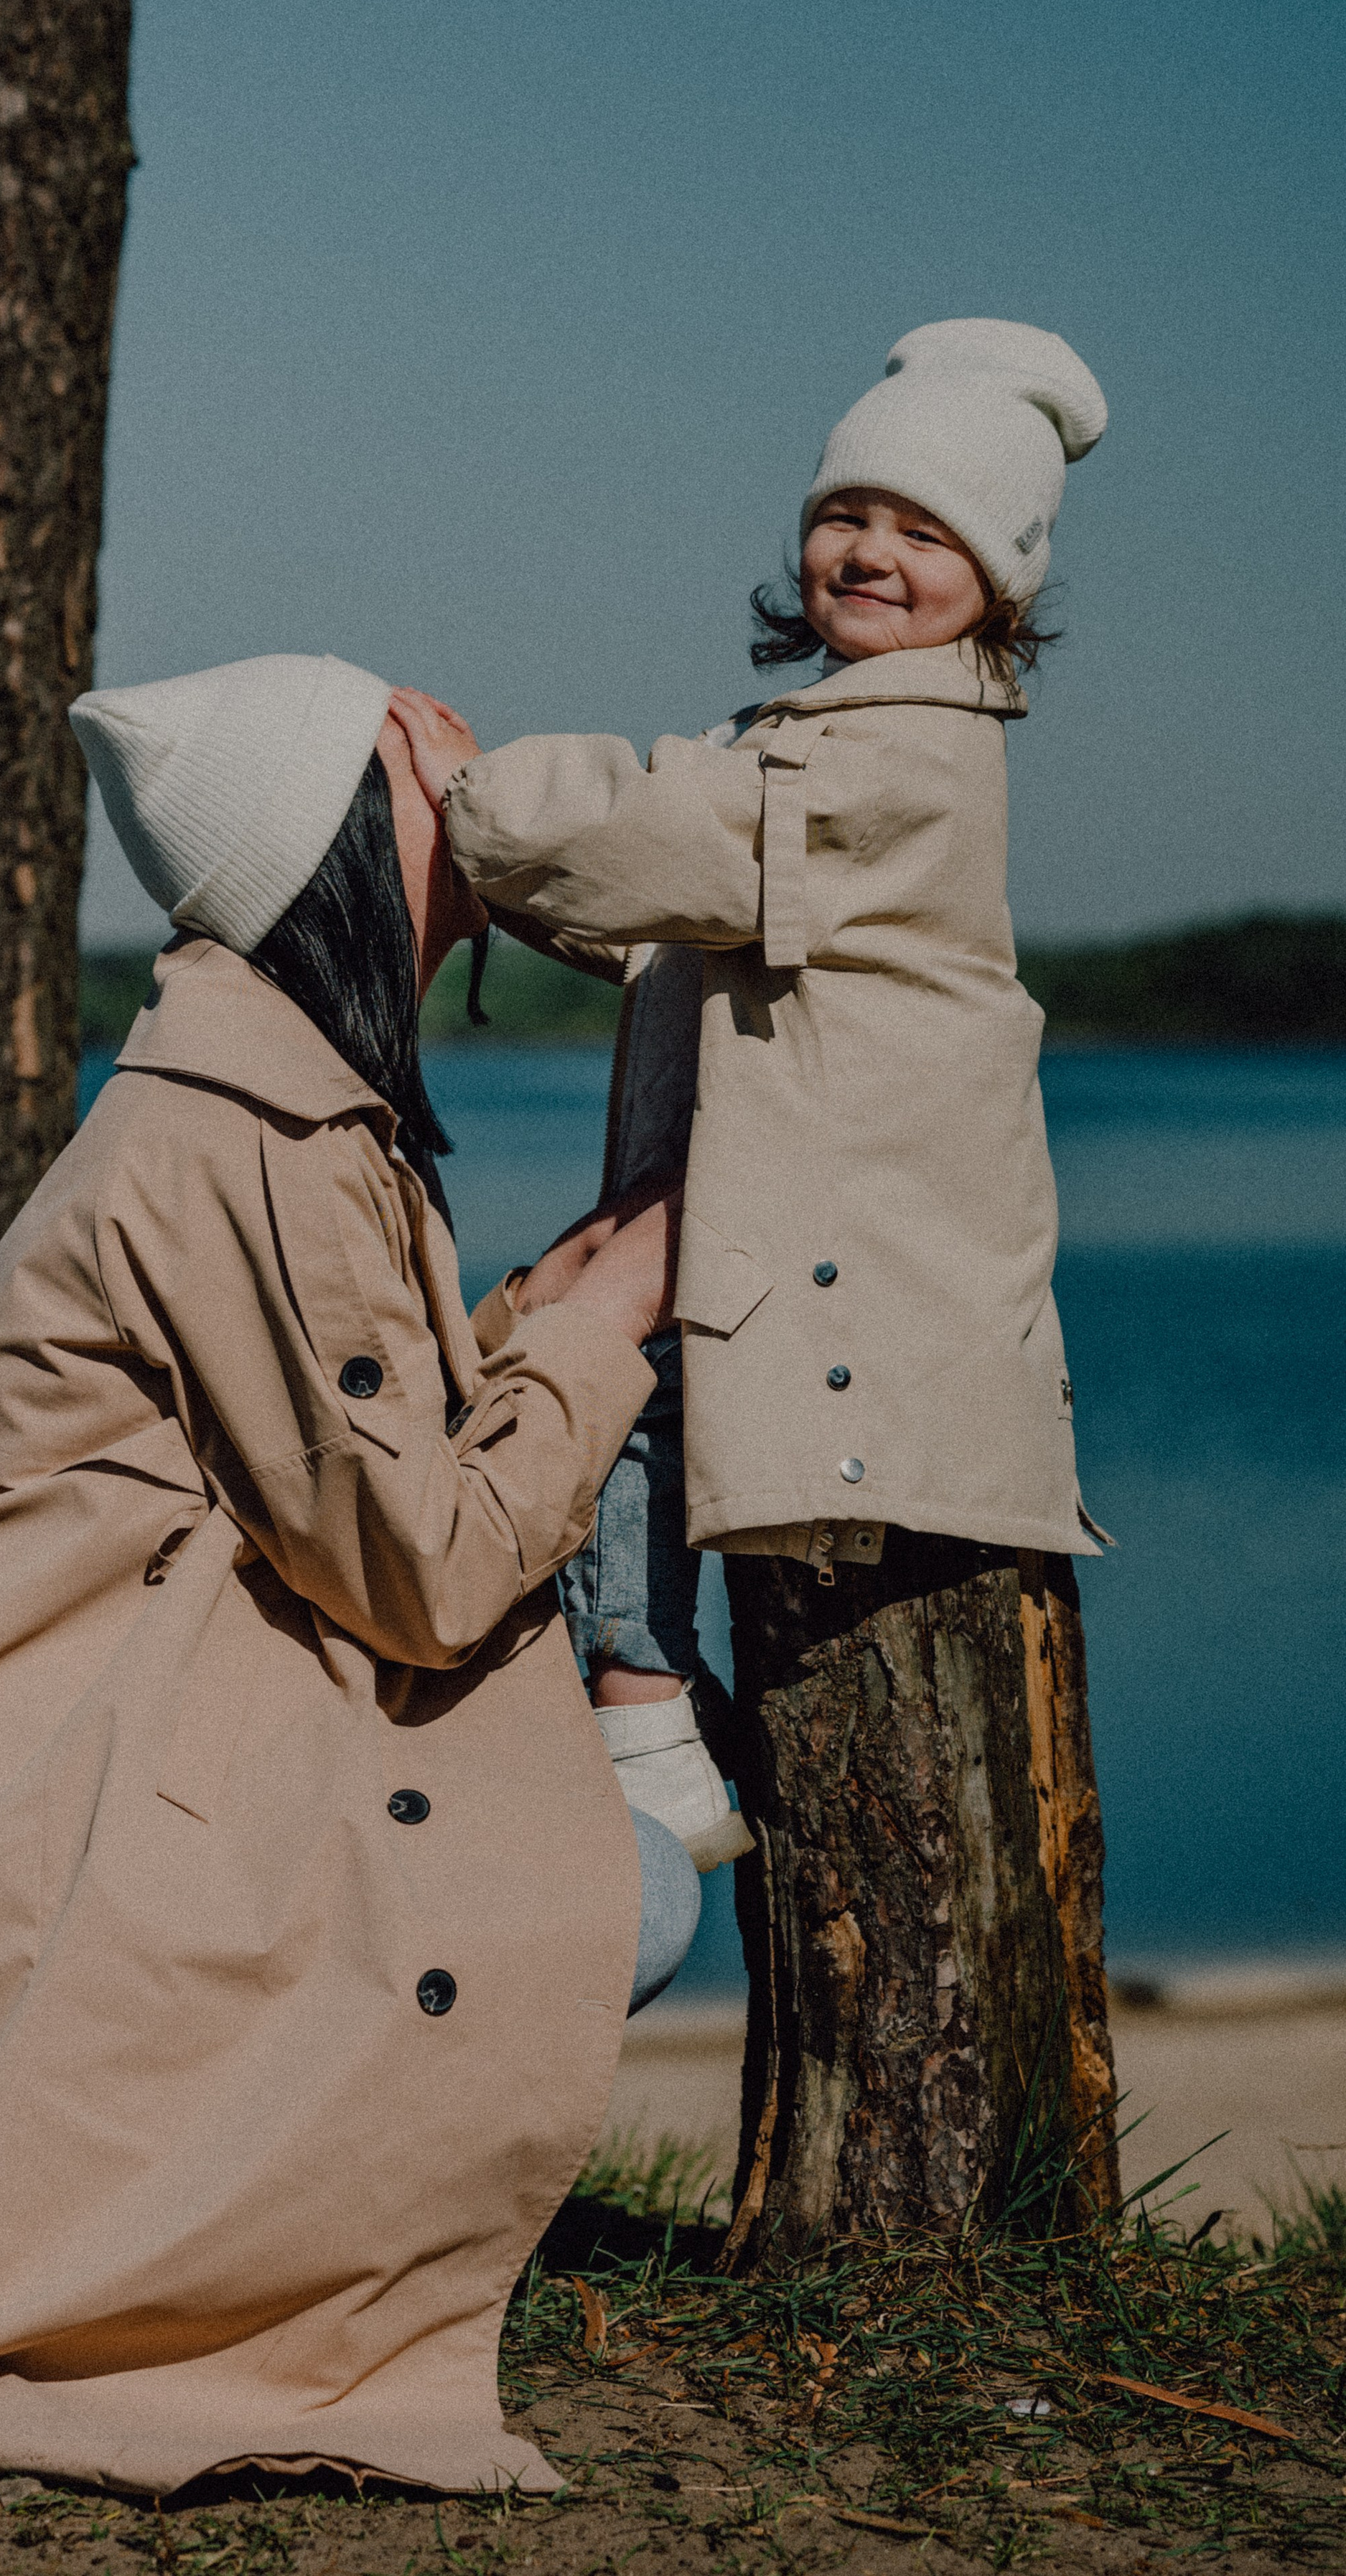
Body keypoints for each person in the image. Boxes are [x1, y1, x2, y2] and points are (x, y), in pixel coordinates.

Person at [0, 654, 696, 2500]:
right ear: (342, 837)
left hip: (25, 1766)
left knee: (580, 1875)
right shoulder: (251, 1137)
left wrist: (522, 1325)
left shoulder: (250, 1090)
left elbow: (316, 1451)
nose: (464, 755)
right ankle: (216, 2246)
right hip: (35, 1815)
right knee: (614, 1900)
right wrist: (611, 1322)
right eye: (420, 749)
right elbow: (419, 1567)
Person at [397, 319, 1111, 1843]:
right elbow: (667, 908)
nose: (868, 551)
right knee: (615, 1368)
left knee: (617, 1380)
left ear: (1001, 586)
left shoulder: (894, 759)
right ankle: (642, 1696)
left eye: (925, 532)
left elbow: (655, 838)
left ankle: (640, 1695)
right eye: (843, 516)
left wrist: (458, 793)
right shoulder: (798, 744)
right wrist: (531, 876)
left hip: (841, 1222)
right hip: (776, 1192)